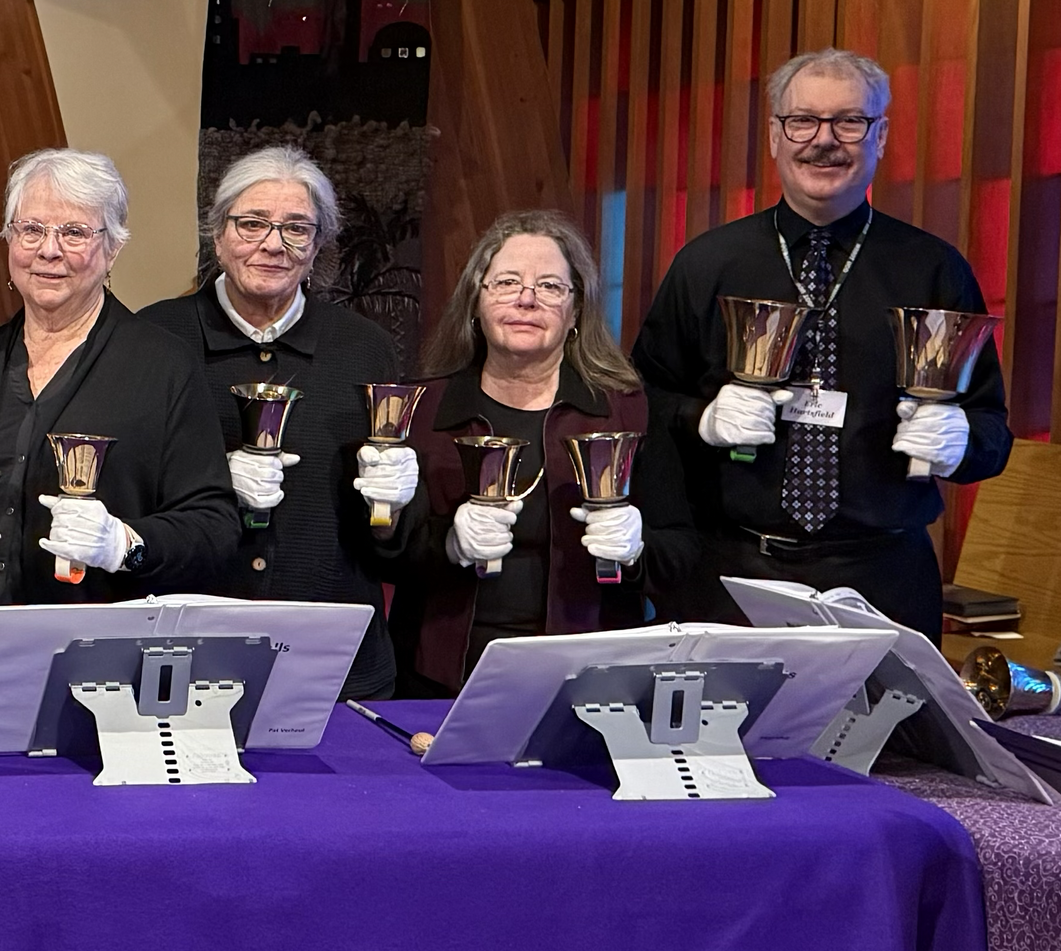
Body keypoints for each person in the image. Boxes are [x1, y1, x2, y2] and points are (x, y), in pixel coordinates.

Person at [631, 48, 1009, 639]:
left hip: (885, 577)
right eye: (802, 121)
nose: (824, 140)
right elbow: (640, 400)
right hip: (729, 573)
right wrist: (700, 419)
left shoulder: (933, 270)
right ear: (774, 136)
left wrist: (962, 443)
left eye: (849, 121)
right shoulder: (707, 264)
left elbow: (992, 429)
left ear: (881, 136)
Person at [0, 148, 236, 702]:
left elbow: (214, 527)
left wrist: (126, 544)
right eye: (31, 229)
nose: (49, 250)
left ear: (113, 247)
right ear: (9, 240)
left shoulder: (163, 368)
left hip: (105, 679)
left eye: (74, 232)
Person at [379, 210, 699, 692]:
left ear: (575, 312)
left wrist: (636, 551)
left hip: (587, 680)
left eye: (549, 287)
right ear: (476, 301)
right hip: (439, 681)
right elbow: (382, 556)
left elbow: (681, 552)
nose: (526, 299)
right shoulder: (422, 410)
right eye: (507, 282)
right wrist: (447, 543)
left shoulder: (628, 411)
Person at [139, 147, 414, 700]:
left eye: (296, 228)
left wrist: (395, 510)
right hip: (185, 655)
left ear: (317, 245)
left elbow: (387, 540)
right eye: (252, 223)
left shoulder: (365, 350)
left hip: (333, 666)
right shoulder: (154, 339)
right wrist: (211, 484)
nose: (273, 243)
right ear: (218, 234)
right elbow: (127, 498)